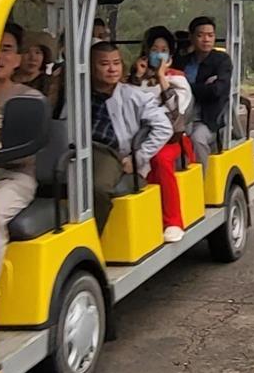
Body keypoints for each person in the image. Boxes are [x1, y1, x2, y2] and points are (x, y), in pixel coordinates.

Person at [86, 40, 171, 231]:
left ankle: (92, 238)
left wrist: (138, 158)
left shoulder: (135, 96)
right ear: (90, 67)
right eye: (104, 64)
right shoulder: (77, 94)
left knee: (98, 188)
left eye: (116, 63)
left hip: (110, 152)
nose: (112, 69)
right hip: (76, 149)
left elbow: (164, 128)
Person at [0, 23, 42, 298]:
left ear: (18, 59)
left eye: (6, 49)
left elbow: (26, 152)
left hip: (13, 177)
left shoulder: (29, 99)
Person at [128, 26, 196, 242]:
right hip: (138, 138)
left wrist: (161, 77)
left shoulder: (178, 80)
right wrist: (137, 78)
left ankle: (173, 221)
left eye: (163, 50)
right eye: (154, 49)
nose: (159, 54)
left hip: (171, 141)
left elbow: (176, 113)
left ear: (170, 55)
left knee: (159, 160)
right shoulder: (138, 80)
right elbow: (128, 108)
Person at [179, 15, 233, 162]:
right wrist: (203, 86)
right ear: (191, 37)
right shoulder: (183, 62)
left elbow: (216, 91)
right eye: (200, 35)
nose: (206, 39)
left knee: (198, 139)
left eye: (210, 35)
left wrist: (187, 88)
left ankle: (203, 175)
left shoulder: (222, 60)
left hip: (207, 119)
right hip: (181, 117)